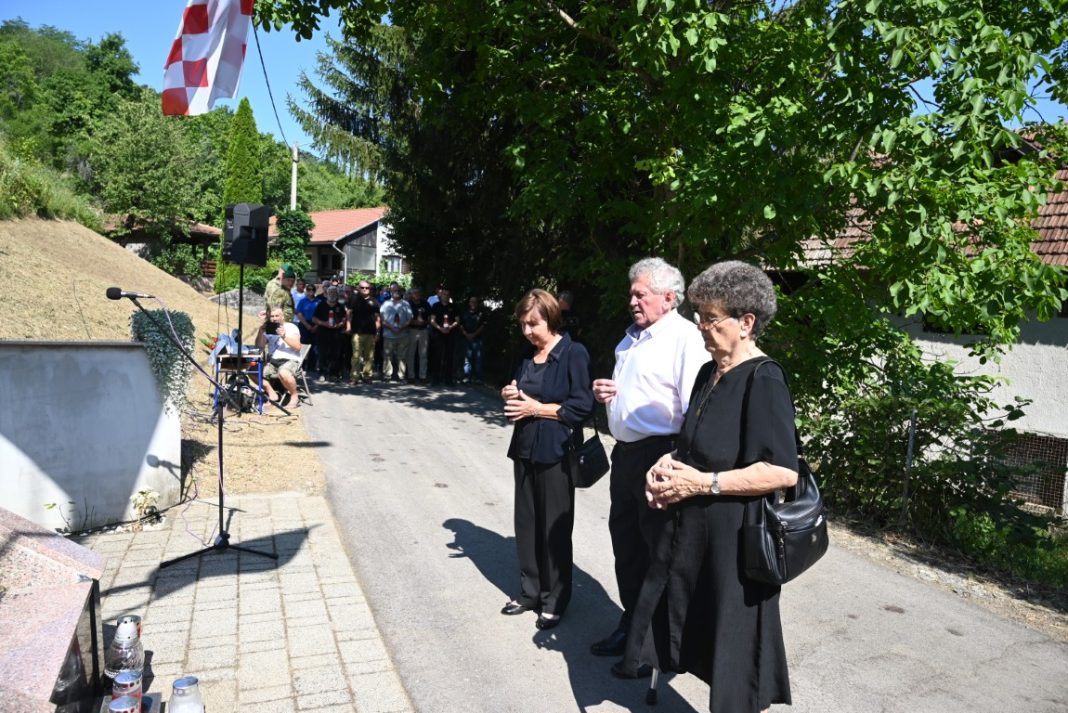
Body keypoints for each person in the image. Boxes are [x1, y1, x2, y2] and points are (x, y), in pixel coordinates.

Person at [619, 260, 798, 712]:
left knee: (732, 653)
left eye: (710, 318)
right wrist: (668, 462)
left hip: (734, 542)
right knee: (685, 620)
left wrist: (704, 483)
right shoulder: (708, 372)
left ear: (746, 322)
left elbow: (782, 472)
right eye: (699, 316)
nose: (700, 326)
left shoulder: (764, 379)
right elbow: (694, 444)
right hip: (691, 531)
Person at [589, 257, 709, 668]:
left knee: (658, 552)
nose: (632, 301)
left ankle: (652, 646)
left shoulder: (685, 338)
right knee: (626, 546)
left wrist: (677, 460)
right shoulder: (631, 339)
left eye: (640, 294)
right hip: (625, 454)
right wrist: (609, 392)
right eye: (632, 294)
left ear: (668, 298)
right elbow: (638, 390)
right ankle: (631, 625)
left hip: (660, 454)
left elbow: (696, 408)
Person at [500, 289, 594, 630]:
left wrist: (536, 409)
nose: (527, 331)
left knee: (553, 527)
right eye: (522, 324)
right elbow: (516, 389)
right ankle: (530, 591)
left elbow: (582, 407)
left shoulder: (574, 353)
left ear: (551, 319)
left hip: (557, 451)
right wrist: (508, 393)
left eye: (533, 324)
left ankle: (555, 597)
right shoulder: (527, 354)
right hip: (524, 447)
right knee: (526, 524)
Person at [255, 306, 303, 408]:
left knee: (283, 373)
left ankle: (294, 396)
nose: (274, 318)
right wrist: (261, 331)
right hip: (272, 361)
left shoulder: (291, 327)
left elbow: (298, 347)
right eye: (272, 316)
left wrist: (284, 336)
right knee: (253, 370)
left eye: (277, 315)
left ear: (282, 317)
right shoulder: (269, 329)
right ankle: (272, 394)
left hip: (290, 360)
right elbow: (259, 347)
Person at [348, 280, 381, 384]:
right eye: (362, 287)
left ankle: (367, 376)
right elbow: (349, 314)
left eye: (367, 288)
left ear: (370, 289)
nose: (365, 289)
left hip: (370, 333)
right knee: (356, 356)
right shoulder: (353, 299)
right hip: (356, 332)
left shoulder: (374, 302)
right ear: (358, 288)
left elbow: (378, 319)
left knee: (369, 356)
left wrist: (377, 333)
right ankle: (354, 377)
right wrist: (348, 327)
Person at [313, 285, 347, 382]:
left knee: (335, 355)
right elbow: (314, 319)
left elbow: (344, 319)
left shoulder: (340, 306)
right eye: (330, 292)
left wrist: (339, 324)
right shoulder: (321, 305)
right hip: (323, 333)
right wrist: (324, 323)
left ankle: (333, 374)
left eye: (334, 292)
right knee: (322, 354)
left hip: (336, 334)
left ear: (337, 294)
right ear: (327, 294)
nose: (332, 294)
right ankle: (322, 373)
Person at [380, 285, 413, 382]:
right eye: (395, 290)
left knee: (402, 357)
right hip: (389, 334)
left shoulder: (406, 304)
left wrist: (401, 328)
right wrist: (392, 328)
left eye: (399, 290)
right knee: (387, 356)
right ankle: (387, 375)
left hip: (403, 334)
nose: (397, 292)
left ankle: (401, 376)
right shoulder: (386, 304)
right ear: (390, 291)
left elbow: (410, 319)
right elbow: (382, 319)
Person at [430, 287, 459, 385]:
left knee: (449, 357)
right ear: (440, 295)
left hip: (450, 334)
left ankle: (448, 380)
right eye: (443, 294)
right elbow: (432, 320)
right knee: (437, 356)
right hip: (438, 333)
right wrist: (440, 328)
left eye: (447, 295)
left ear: (449, 296)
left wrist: (450, 327)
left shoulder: (454, 307)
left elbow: (457, 320)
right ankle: (435, 379)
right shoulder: (435, 306)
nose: (445, 296)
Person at [406, 286, 432, 382]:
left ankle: (423, 376)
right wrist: (414, 322)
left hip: (424, 331)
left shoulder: (426, 304)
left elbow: (430, 317)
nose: (416, 295)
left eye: (418, 293)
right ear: (411, 294)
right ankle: (411, 376)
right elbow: (405, 317)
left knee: (423, 354)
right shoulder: (408, 304)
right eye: (414, 293)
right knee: (410, 354)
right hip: (411, 330)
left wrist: (425, 322)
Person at [460, 295, 487, 384]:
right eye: (471, 301)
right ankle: (467, 377)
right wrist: (466, 334)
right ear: (469, 303)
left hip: (477, 338)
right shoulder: (465, 313)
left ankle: (478, 378)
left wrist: (474, 334)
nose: (473, 303)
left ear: (477, 303)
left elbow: (483, 326)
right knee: (467, 359)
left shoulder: (481, 313)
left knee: (478, 359)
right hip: (466, 338)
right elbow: (460, 325)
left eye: (475, 302)